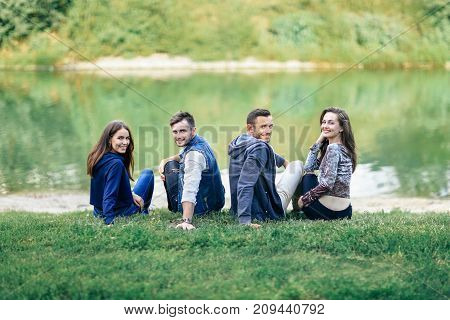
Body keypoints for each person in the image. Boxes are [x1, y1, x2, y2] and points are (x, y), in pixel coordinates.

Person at [228, 108, 303, 227]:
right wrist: (245, 221)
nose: (268, 131)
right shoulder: (260, 148)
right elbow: (245, 184)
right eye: (263, 126)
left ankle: (297, 204)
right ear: (250, 128)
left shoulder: (240, 141)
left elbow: (263, 153)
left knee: (290, 167)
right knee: (298, 165)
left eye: (270, 126)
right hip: (263, 212)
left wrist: (282, 161)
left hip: (238, 207)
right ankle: (298, 206)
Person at [159, 112, 225, 230]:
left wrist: (186, 221)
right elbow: (182, 155)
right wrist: (165, 160)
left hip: (202, 208)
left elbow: (190, 188)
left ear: (193, 131)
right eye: (175, 132)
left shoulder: (194, 156)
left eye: (183, 131)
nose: (178, 136)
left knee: (170, 167)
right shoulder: (200, 142)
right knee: (170, 163)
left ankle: (177, 208)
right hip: (215, 202)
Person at [87, 120, 154, 225]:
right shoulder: (116, 164)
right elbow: (110, 195)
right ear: (110, 139)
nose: (125, 142)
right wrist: (109, 221)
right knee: (148, 174)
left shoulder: (97, 157)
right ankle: (144, 211)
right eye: (120, 138)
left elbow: (106, 187)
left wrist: (131, 194)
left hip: (97, 212)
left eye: (127, 138)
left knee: (143, 178)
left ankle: (135, 201)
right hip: (120, 212)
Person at [297, 107, 356, 220]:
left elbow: (327, 184)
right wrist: (320, 139)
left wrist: (305, 199)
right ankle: (299, 207)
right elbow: (310, 166)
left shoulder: (333, 149)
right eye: (324, 122)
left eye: (331, 123)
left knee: (308, 176)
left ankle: (297, 206)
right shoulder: (345, 149)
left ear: (342, 128)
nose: (325, 126)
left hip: (327, 212)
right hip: (345, 213)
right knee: (309, 173)